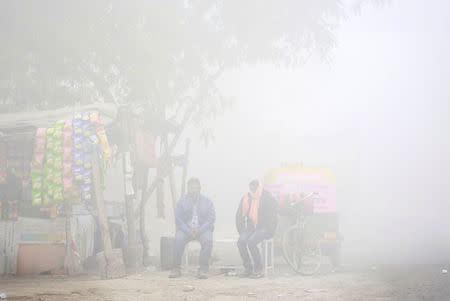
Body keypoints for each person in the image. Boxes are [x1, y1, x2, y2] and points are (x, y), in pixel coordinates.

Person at [169, 178, 216, 279]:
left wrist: (199, 230)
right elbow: (178, 219)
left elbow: (211, 219)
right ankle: (176, 269)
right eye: (191, 188)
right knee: (178, 239)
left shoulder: (207, 202)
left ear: (199, 188)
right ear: (188, 188)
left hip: (202, 229)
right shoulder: (182, 202)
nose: (194, 190)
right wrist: (187, 230)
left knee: (208, 241)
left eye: (196, 187)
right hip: (186, 230)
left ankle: (203, 269)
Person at [235, 179, 277, 278]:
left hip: (264, 227)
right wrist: (241, 230)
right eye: (251, 186)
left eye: (255, 186)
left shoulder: (267, 197)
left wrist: (270, 230)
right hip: (250, 227)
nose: (252, 188)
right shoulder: (246, 198)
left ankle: (259, 269)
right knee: (241, 241)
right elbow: (239, 215)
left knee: (251, 242)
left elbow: (273, 215)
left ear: (259, 186)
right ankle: (248, 269)